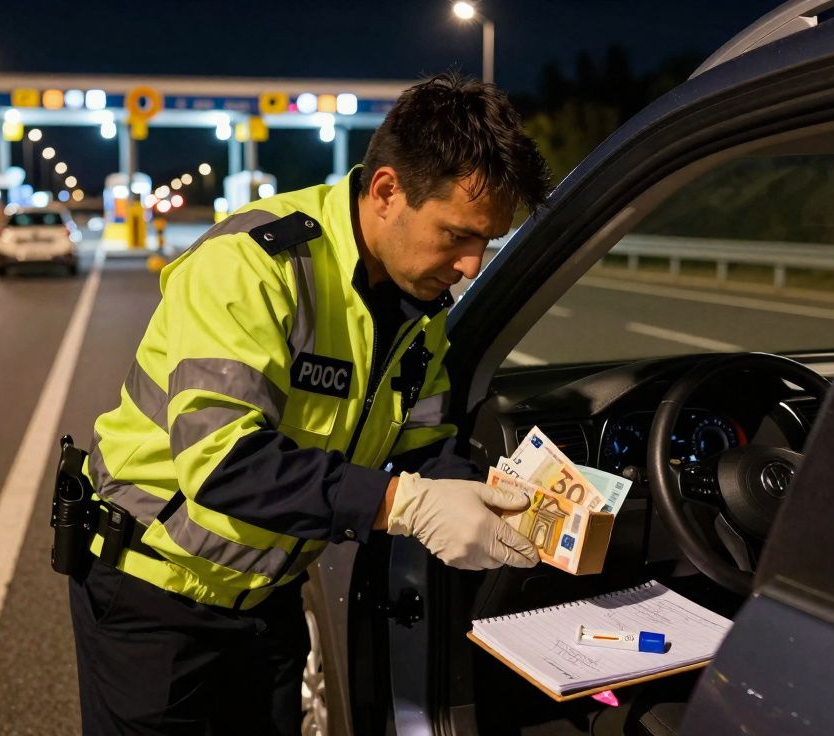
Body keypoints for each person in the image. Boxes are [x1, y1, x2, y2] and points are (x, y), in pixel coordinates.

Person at [70, 72, 553, 735]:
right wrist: (405, 506)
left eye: (487, 243)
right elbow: (223, 464)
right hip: (155, 600)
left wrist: (486, 495)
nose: (473, 265)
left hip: (268, 601)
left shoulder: (421, 307)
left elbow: (420, 445)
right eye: (457, 236)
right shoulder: (255, 264)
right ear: (386, 191)